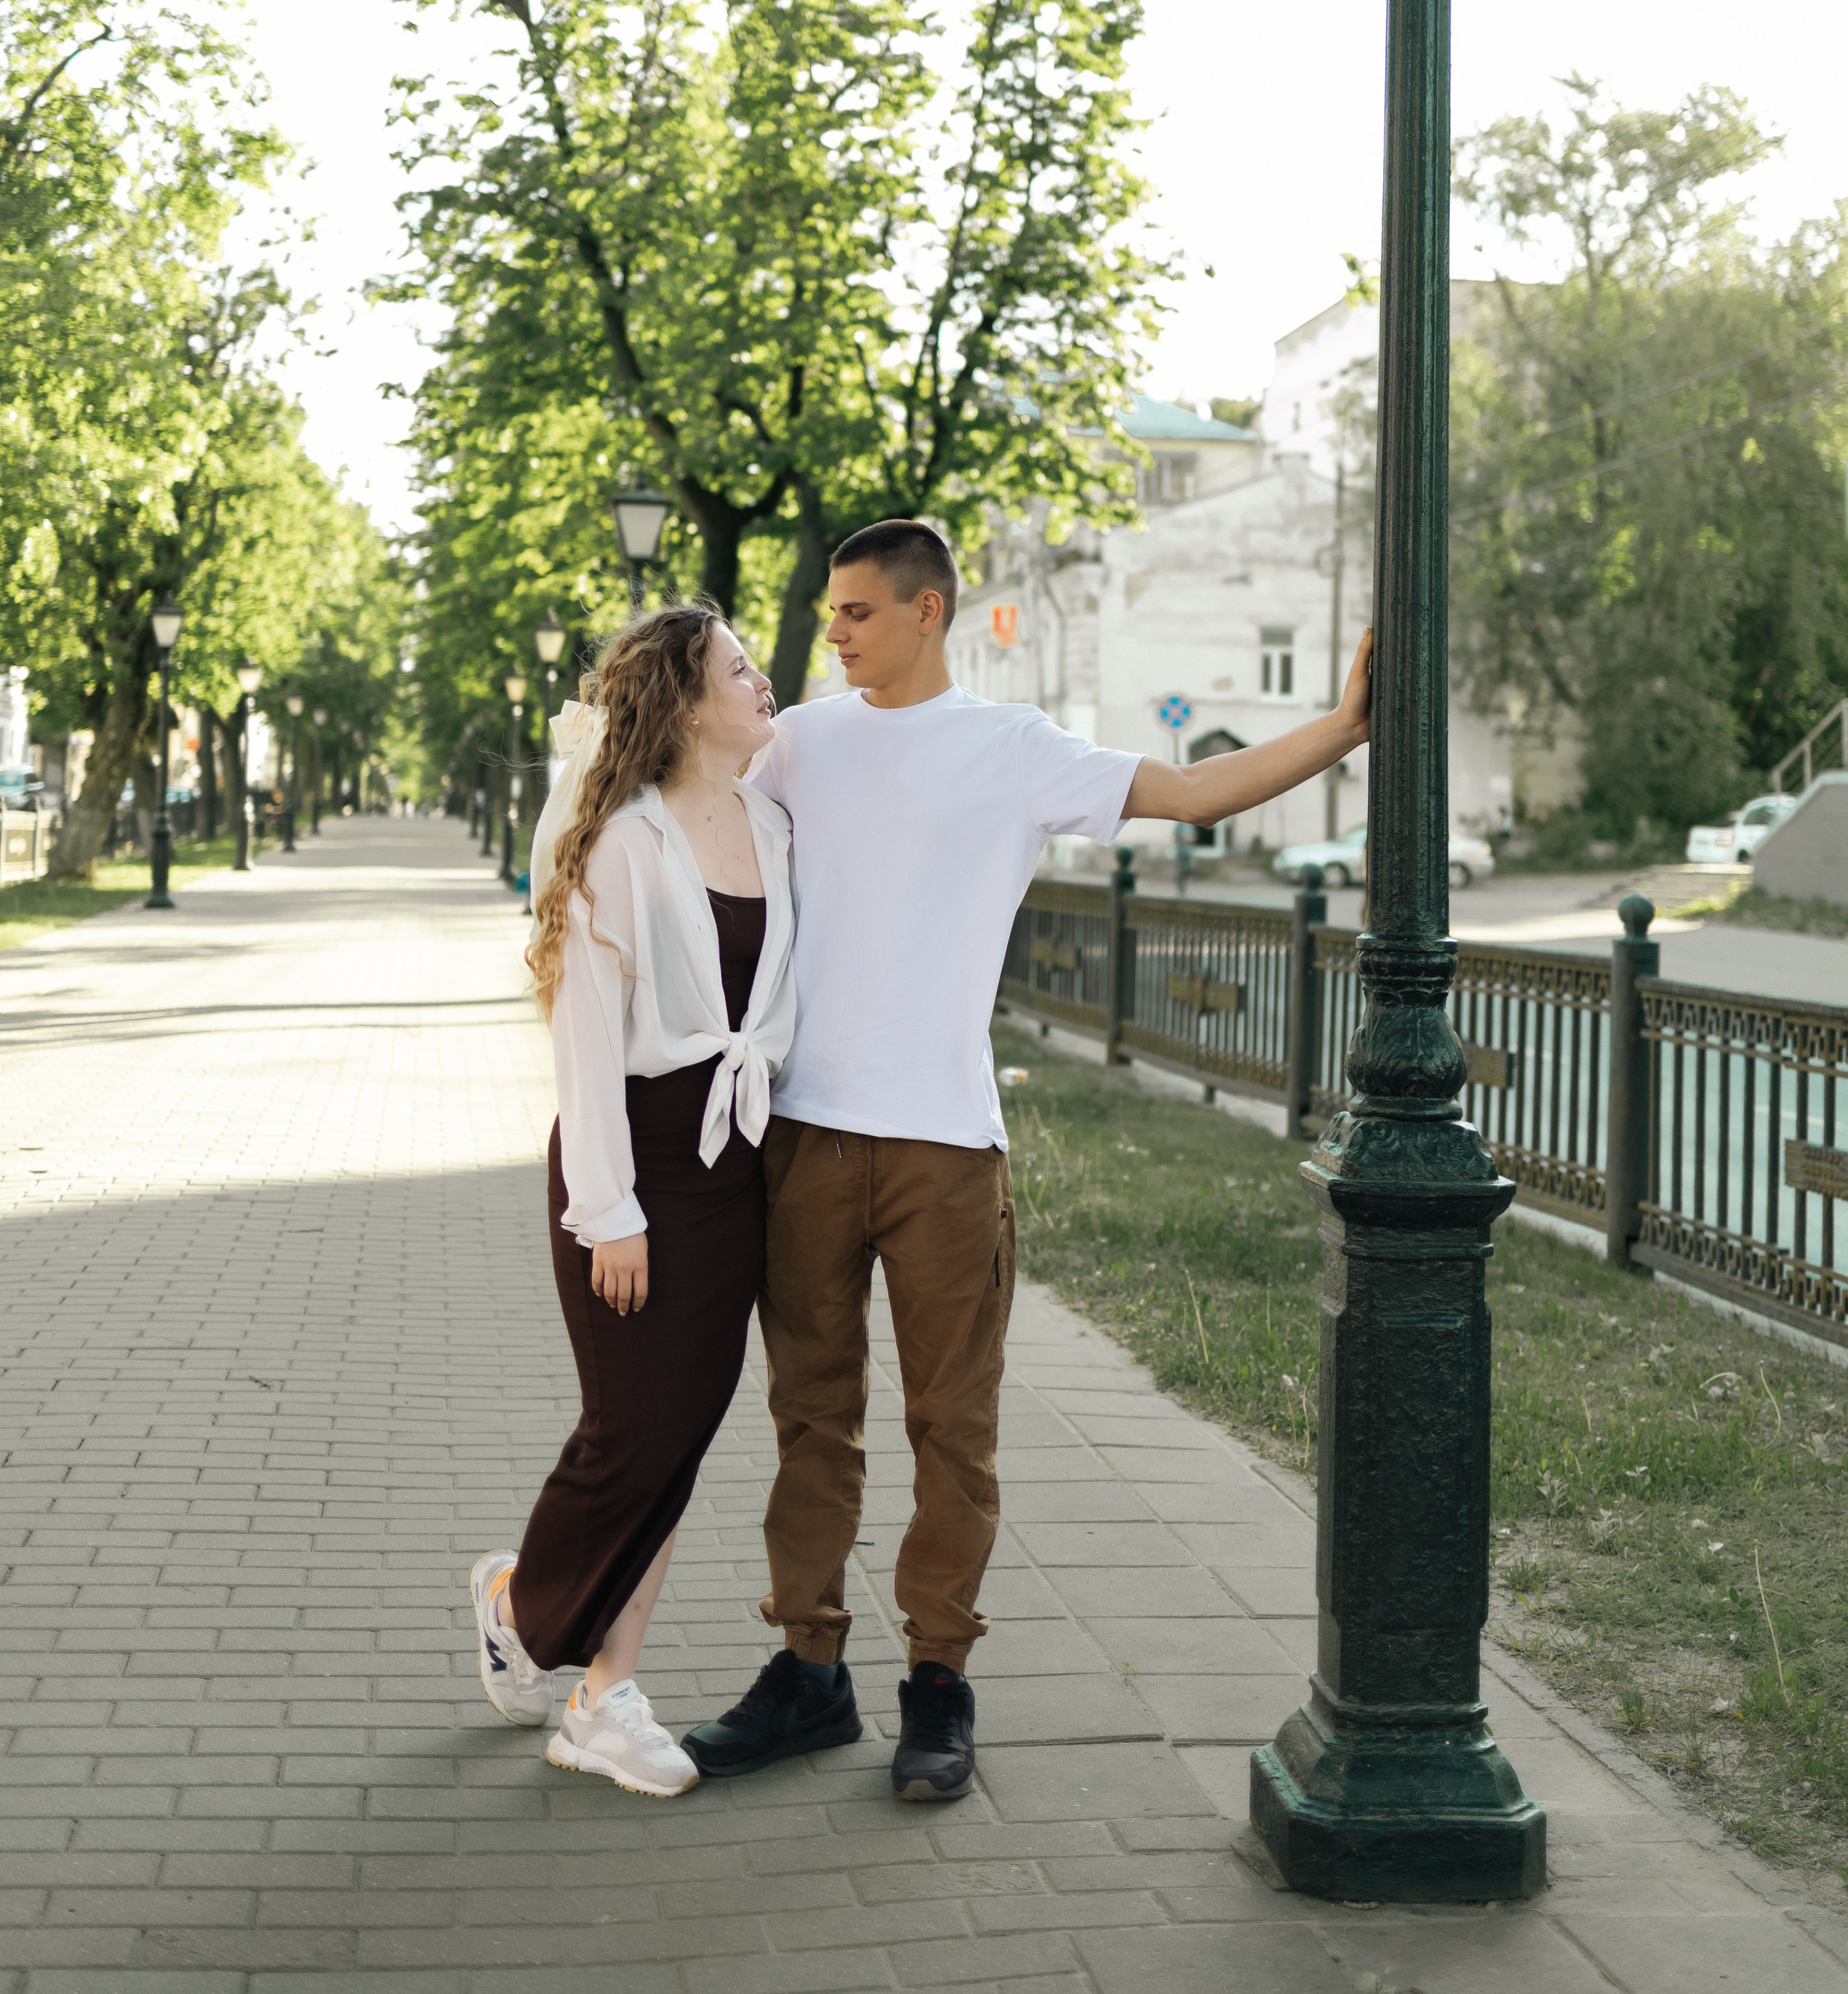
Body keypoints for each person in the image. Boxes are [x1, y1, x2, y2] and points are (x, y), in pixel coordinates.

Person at [682, 516, 1373, 1802]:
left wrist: (1340, 730)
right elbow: (682, 818)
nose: (829, 634)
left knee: (955, 1428)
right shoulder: (797, 745)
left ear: (928, 611)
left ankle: (938, 1684)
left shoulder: (1015, 752)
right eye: (829, 613)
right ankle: (808, 1675)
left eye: (854, 614)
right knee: (809, 1417)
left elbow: (1188, 793)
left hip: (948, 1148)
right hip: (808, 1137)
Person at [467, 603, 797, 1798]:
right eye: (738, 667)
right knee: (631, 1435)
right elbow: (586, 1036)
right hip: (641, 1164)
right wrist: (610, 1209)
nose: (763, 679)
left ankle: (595, 1684)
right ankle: (552, 1641)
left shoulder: (770, 815)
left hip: (735, 1161)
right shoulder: (624, 839)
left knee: (681, 1439)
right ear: (684, 702)